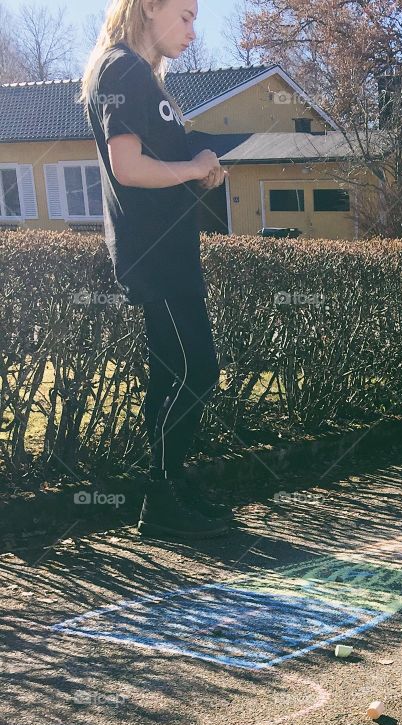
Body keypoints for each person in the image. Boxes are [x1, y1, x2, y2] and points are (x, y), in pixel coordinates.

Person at [81, 0, 232, 539]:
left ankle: (169, 490)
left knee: (170, 375)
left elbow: (153, 162)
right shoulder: (122, 70)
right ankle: (161, 499)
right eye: (186, 15)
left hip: (167, 252)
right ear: (148, 7)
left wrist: (198, 169)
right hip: (156, 256)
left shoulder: (141, 76)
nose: (194, 30)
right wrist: (192, 166)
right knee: (199, 370)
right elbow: (127, 167)